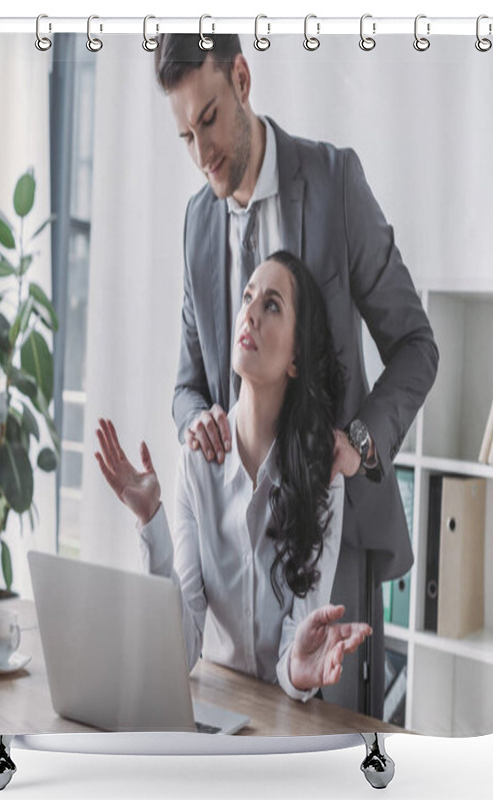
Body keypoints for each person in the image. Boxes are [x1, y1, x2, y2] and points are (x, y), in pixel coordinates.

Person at [156, 34, 439, 718]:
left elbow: (415, 343)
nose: (203, 155)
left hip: (331, 529)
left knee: (319, 748)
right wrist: (196, 419)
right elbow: (188, 382)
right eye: (186, 135)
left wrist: (361, 444)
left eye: (212, 120)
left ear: (243, 79)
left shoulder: (335, 181)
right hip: (232, 549)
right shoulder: (198, 223)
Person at [95, 253, 371, 701]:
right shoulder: (196, 464)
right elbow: (180, 650)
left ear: (296, 357)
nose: (251, 314)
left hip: (283, 717)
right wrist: (151, 520)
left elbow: (293, 658)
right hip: (211, 704)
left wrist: (300, 668)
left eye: (273, 305)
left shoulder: (324, 478)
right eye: (248, 297)